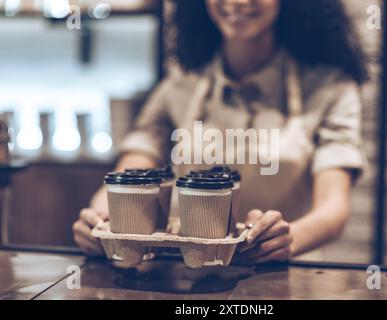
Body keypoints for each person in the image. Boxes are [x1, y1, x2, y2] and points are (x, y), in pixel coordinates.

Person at [73, 0, 367, 264]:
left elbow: (333, 209)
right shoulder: (179, 87)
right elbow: (133, 169)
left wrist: (288, 238)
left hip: (282, 274)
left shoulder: (329, 90)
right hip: (186, 273)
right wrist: (99, 218)